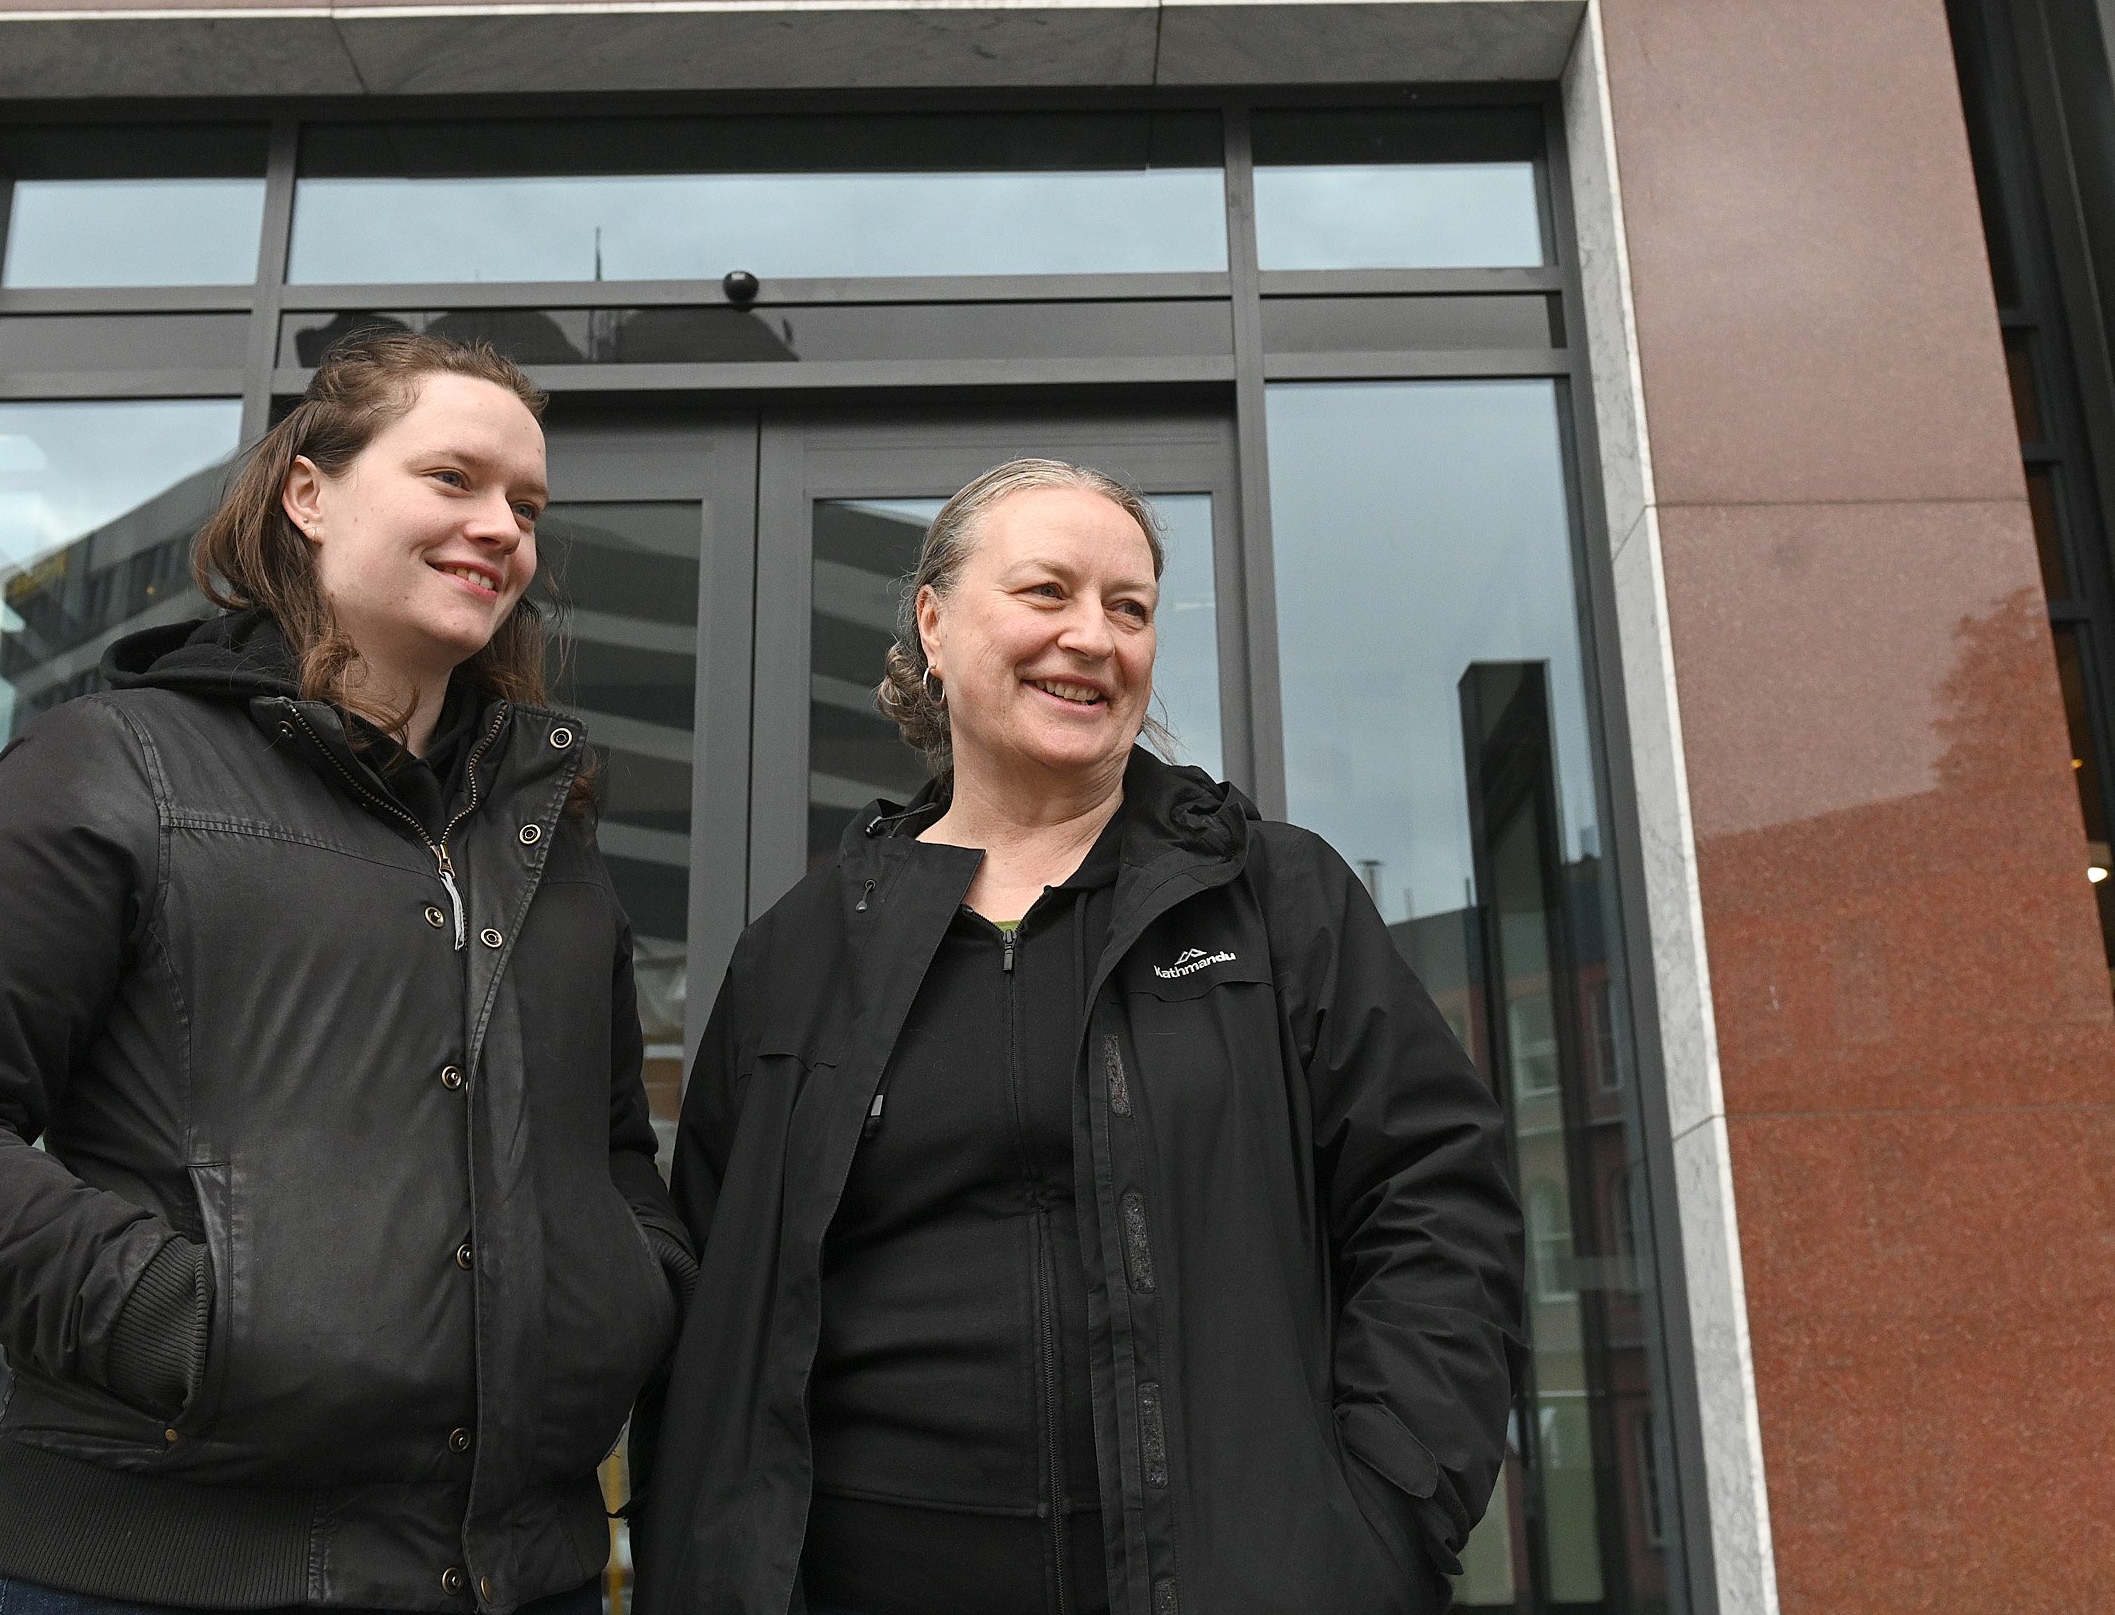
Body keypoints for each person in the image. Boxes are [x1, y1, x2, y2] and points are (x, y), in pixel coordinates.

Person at [0, 331, 690, 1615]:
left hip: (516, 1572)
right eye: (452, 477)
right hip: (155, 1578)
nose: (501, 527)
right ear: (310, 492)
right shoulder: (113, 769)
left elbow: (608, 1147)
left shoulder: (547, 835)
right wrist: (185, 1319)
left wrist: (628, 1298)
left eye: (527, 505)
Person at [636, 458, 1525, 1615]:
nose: (1091, 637)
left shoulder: (1276, 899)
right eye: (1047, 592)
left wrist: (1384, 1513)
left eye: (1129, 607)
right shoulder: (804, 949)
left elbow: (1439, 1203)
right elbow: (720, 1298)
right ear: (935, 623)